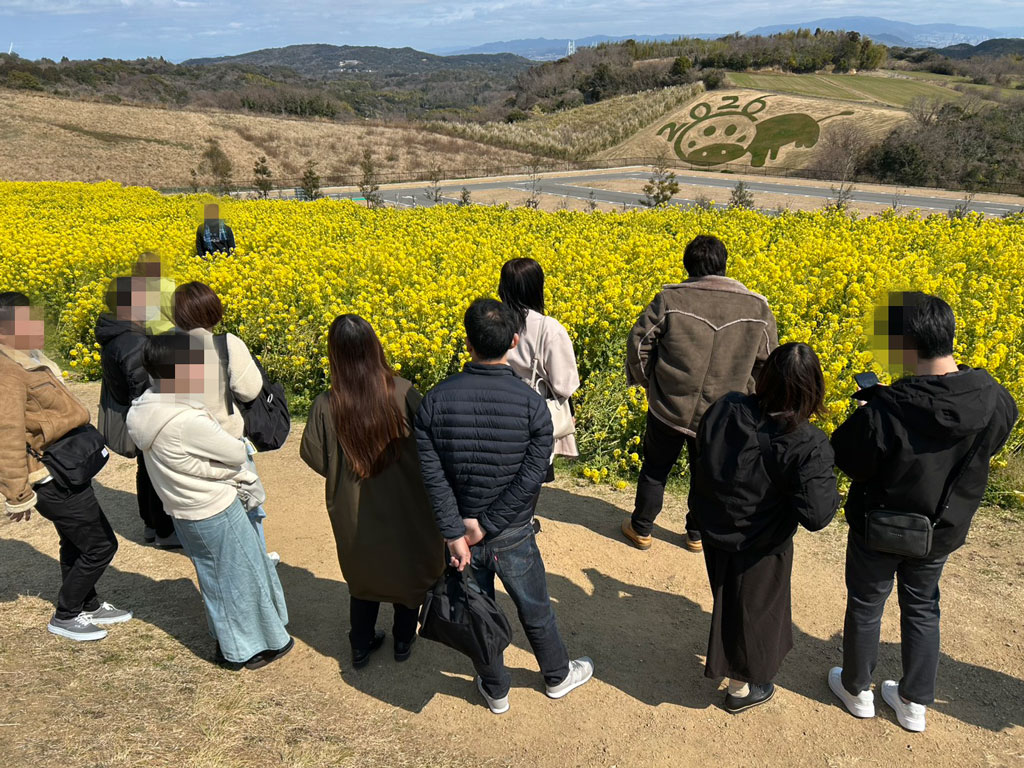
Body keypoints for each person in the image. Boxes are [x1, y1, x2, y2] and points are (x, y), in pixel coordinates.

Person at [827, 292, 1018, 733]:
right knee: (922, 607)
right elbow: (992, 444)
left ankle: (857, 691)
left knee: (866, 603)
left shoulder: (887, 408)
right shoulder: (994, 398)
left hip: (879, 526)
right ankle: (914, 703)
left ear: (906, 346)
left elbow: (847, 458)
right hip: (941, 529)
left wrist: (868, 412)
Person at [414, 298, 593, 715]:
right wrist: (489, 523)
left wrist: (456, 531)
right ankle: (556, 676)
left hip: (460, 536)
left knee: (478, 607)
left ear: (467, 341)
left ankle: (495, 688)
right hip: (511, 532)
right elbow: (532, 475)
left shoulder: (435, 402)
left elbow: (433, 476)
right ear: (513, 341)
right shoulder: (531, 404)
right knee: (536, 607)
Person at [126, 332, 292, 670]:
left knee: (215, 577)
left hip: (183, 510)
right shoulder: (187, 419)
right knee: (240, 578)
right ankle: (246, 650)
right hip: (214, 508)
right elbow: (234, 451)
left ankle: (229, 643)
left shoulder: (143, 409)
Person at [689, 342, 840, 713]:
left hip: (715, 528)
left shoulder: (726, 407)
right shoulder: (806, 442)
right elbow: (817, 516)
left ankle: (734, 664)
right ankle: (741, 689)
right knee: (755, 613)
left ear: (765, 376)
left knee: (729, 595)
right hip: (761, 544)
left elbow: (702, 456)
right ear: (813, 390)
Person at [300, 315, 444, 669]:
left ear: (335, 355)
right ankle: (403, 642)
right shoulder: (404, 391)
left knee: (363, 579)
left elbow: (315, 457)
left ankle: (360, 645)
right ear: (375, 347)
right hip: (406, 507)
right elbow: (433, 445)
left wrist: (343, 473)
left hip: (354, 511)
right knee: (408, 573)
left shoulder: (325, 404)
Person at [623, 234, 779, 553]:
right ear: (723, 265)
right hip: (725, 414)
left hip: (668, 405)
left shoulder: (669, 300)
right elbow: (769, 361)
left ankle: (641, 528)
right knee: (707, 474)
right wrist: (750, 399)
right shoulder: (757, 307)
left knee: (655, 467)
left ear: (687, 265)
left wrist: (649, 382)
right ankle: (696, 534)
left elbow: (639, 345)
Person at [0, 292, 131, 641]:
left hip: (67, 465)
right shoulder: (7, 371)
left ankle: (88, 603)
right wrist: (17, 493)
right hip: (48, 475)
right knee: (102, 546)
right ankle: (66, 614)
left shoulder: (25, 358)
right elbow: (6, 433)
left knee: (75, 542)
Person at [172, 281, 274, 558]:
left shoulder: (162, 348)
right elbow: (250, 390)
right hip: (227, 443)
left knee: (208, 513)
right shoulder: (226, 344)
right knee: (249, 507)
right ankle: (257, 561)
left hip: (185, 449)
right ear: (213, 311)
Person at [96, 275, 178, 548]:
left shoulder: (118, 333)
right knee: (156, 471)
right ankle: (164, 530)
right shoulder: (133, 342)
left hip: (133, 413)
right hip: (147, 415)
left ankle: (152, 525)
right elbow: (145, 386)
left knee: (146, 470)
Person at [500, 258, 580, 531]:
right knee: (531, 470)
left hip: (495, 403)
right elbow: (564, 383)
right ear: (537, 288)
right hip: (532, 410)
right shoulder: (549, 328)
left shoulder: (493, 320)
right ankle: (523, 524)